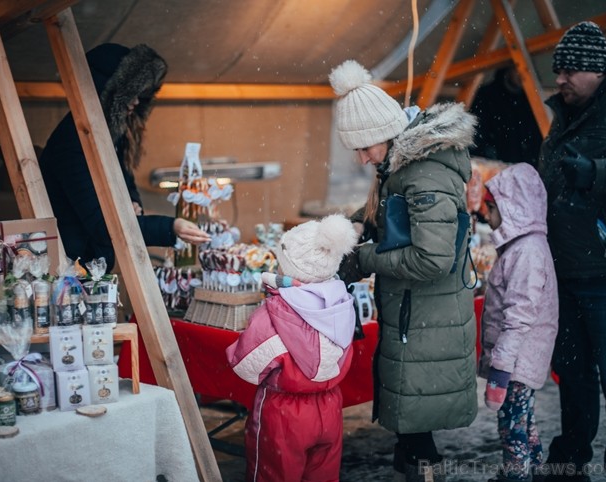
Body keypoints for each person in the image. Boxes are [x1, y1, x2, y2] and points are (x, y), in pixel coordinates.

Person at [329, 59, 478, 482]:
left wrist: (366, 258)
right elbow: (398, 216)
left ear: (385, 136)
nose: (360, 159)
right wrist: (357, 223)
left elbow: (432, 259)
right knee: (411, 427)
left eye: (363, 147)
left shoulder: (424, 173)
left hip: (426, 315)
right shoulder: (400, 165)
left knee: (417, 435)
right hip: (416, 313)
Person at [537, 21, 606, 482]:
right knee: (574, 380)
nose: (560, 79)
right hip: (567, 269)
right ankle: (569, 464)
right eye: (559, 69)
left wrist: (597, 172)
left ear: (599, 70)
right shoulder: (567, 110)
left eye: (572, 70)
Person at [39, 43, 209, 272]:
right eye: (129, 94)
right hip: (71, 273)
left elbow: (126, 182)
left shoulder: (111, 137)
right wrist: (171, 227)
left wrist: (132, 203)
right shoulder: (72, 143)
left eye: (139, 94)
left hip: (94, 266)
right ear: (107, 93)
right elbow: (102, 226)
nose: (136, 101)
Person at [226, 214, 359, 482]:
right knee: (322, 476)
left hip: (284, 414)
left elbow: (246, 365)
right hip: (330, 406)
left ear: (289, 263)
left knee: (274, 474)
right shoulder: (342, 304)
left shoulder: (275, 312)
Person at [478, 163, 559, 482]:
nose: (489, 217)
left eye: (493, 209)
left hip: (516, 361)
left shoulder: (526, 253)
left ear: (512, 209)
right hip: (522, 358)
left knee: (511, 425)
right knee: (524, 419)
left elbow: (518, 317)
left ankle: (516, 475)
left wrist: (500, 367)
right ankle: (535, 467)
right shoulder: (524, 248)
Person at [469, 66, 543, 166]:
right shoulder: (487, 95)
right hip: (496, 168)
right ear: (509, 68)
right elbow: (477, 134)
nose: (522, 75)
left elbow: (536, 137)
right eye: (518, 70)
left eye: (527, 71)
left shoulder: (531, 99)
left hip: (524, 168)